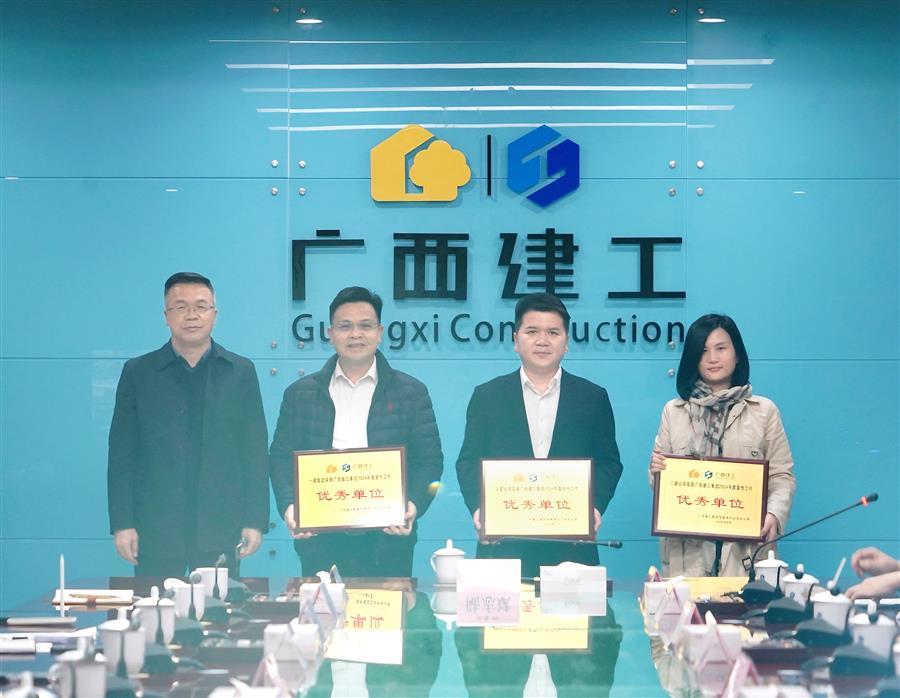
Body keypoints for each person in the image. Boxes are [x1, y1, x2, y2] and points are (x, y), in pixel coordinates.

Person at [269, 287, 443, 577]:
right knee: (323, 607)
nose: (355, 334)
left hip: (388, 541)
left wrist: (412, 505)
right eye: (345, 326)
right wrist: (290, 506)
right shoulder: (300, 394)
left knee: (387, 608)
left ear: (380, 332)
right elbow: (280, 458)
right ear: (330, 333)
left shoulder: (411, 392)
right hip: (320, 540)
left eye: (365, 325)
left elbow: (430, 461)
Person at [107, 272, 269, 576]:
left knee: (217, 605)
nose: (192, 315)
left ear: (215, 315)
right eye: (180, 307)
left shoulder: (240, 371)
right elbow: (122, 454)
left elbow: (254, 451)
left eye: (201, 306)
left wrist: (255, 520)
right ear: (166, 316)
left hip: (221, 522)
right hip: (155, 523)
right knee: (155, 604)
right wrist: (122, 523)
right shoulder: (139, 373)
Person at [455, 293, 623, 576]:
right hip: (503, 545)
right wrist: (479, 509)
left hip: (572, 546)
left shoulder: (592, 397)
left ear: (566, 342)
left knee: (573, 608)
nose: (542, 340)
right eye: (532, 331)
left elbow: (609, 463)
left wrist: (593, 507)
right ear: (515, 339)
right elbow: (468, 461)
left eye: (553, 332)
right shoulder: (488, 396)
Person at [648, 313, 796, 577]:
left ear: (737, 354)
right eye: (703, 351)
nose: (713, 358)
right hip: (688, 555)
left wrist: (774, 515)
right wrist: (656, 472)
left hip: (746, 553)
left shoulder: (764, 411)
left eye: (721, 348)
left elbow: (781, 476)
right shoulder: (674, 412)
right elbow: (661, 485)